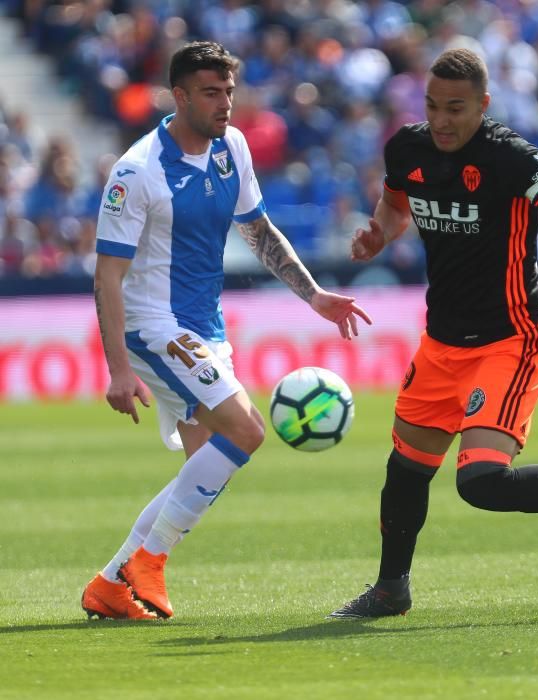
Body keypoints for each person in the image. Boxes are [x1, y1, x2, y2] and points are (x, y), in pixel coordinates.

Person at [329, 48, 538, 620]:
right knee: (406, 467)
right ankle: (390, 589)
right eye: (433, 105)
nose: (441, 120)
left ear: (483, 105)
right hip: (440, 343)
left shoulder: (510, 156)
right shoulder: (407, 147)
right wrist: (379, 236)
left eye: (456, 108)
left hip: (510, 339)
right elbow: (394, 207)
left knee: (481, 481)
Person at [81, 41, 371, 621]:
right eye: (212, 93)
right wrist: (117, 367)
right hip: (152, 327)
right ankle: (150, 560)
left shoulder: (230, 147)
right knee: (246, 429)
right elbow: (107, 276)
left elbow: (258, 230)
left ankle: (111, 584)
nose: (225, 104)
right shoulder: (138, 172)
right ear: (180, 95)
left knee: (208, 463)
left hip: (203, 328)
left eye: (230, 92)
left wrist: (313, 294)